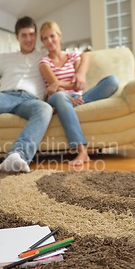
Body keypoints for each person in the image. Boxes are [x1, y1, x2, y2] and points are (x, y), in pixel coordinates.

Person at [0, 16, 53, 173]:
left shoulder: (44, 56)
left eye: (32, 34)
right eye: (24, 35)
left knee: (46, 109)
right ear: (17, 37)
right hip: (4, 97)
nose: (28, 39)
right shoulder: (5, 58)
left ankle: (17, 156)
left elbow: (66, 61)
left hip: (30, 101)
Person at [39, 21, 119, 166]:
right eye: (45, 38)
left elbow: (78, 84)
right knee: (61, 97)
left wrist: (76, 76)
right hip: (59, 98)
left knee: (112, 81)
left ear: (60, 36)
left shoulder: (72, 56)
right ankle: (82, 151)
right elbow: (55, 88)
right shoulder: (44, 62)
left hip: (79, 98)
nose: (50, 41)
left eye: (52, 36)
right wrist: (61, 87)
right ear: (42, 41)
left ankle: (66, 109)